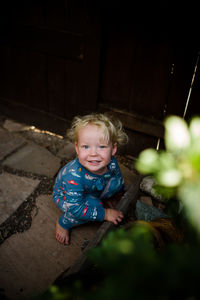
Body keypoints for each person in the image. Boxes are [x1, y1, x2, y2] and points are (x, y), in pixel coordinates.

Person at [53, 113, 128, 245]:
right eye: (86, 146)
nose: (93, 153)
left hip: (93, 189)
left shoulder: (111, 163)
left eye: (102, 146)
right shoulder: (74, 176)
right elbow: (75, 208)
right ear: (77, 148)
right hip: (67, 198)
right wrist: (105, 213)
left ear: (113, 148)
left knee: (116, 181)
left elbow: (119, 180)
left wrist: (115, 195)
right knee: (93, 206)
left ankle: (104, 197)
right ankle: (63, 223)